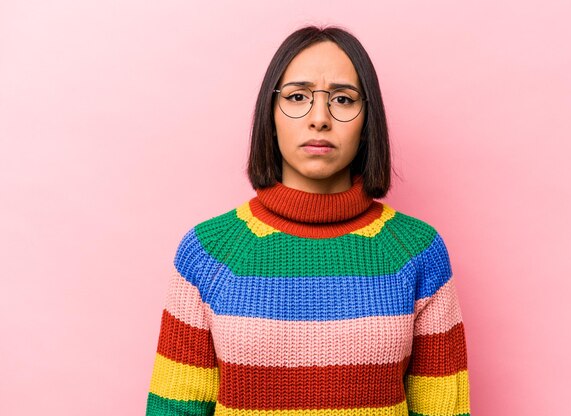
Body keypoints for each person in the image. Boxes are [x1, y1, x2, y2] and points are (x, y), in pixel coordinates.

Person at [145, 25, 470, 416]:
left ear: (369, 122)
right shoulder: (208, 253)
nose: (320, 118)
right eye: (298, 96)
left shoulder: (417, 251)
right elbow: (173, 409)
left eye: (343, 100)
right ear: (271, 113)